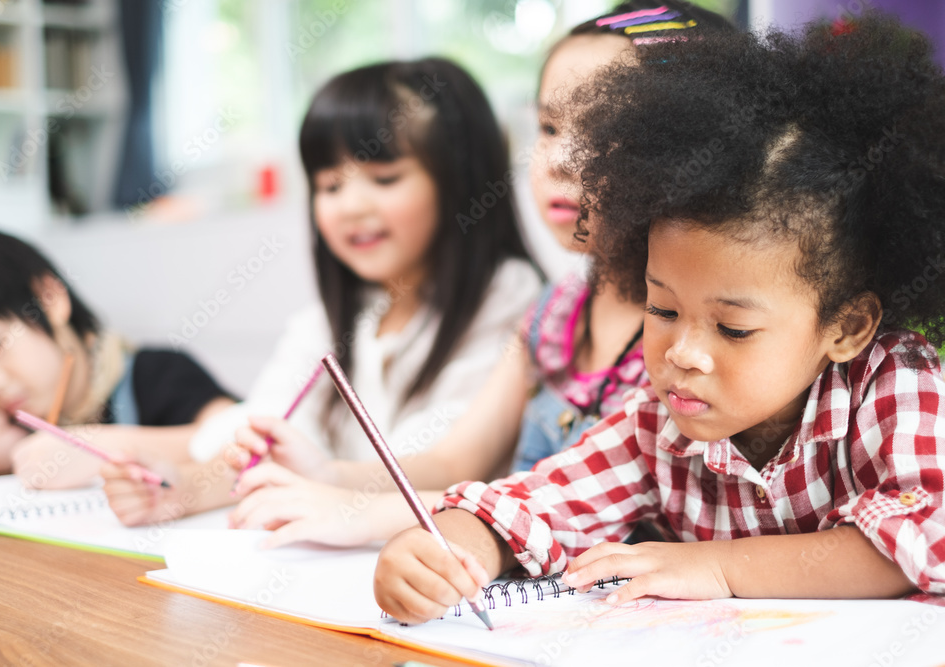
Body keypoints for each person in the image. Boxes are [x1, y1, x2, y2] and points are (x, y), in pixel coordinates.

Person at [373, 13, 945, 624]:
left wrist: (721, 567)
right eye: (662, 309)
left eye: (733, 328)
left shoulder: (892, 386)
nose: (682, 353)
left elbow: (925, 533)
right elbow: (544, 498)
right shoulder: (659, 425)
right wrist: (449, 547)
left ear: (847, 327)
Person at [224, 1, 734, 548]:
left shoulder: (698, 334)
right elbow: (459, 460)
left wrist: (365, 514)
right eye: (549, 126)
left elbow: (565, 504)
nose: (558, 160)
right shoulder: (556, 312)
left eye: (602, 129)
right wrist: (328, 477)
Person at [102, 57, 542, 525]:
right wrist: (180, 489)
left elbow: (452, 465)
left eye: (385, 178)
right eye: (330, 185)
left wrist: (326, 478)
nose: (351, 206)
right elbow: (266, 435)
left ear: (461, 182)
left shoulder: (511, 301)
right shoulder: (326, 322)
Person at [0, 227, 234, 486]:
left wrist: (103, 448)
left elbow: (241, 435)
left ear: (48, 297)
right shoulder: (6, 424)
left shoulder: (159, 374)